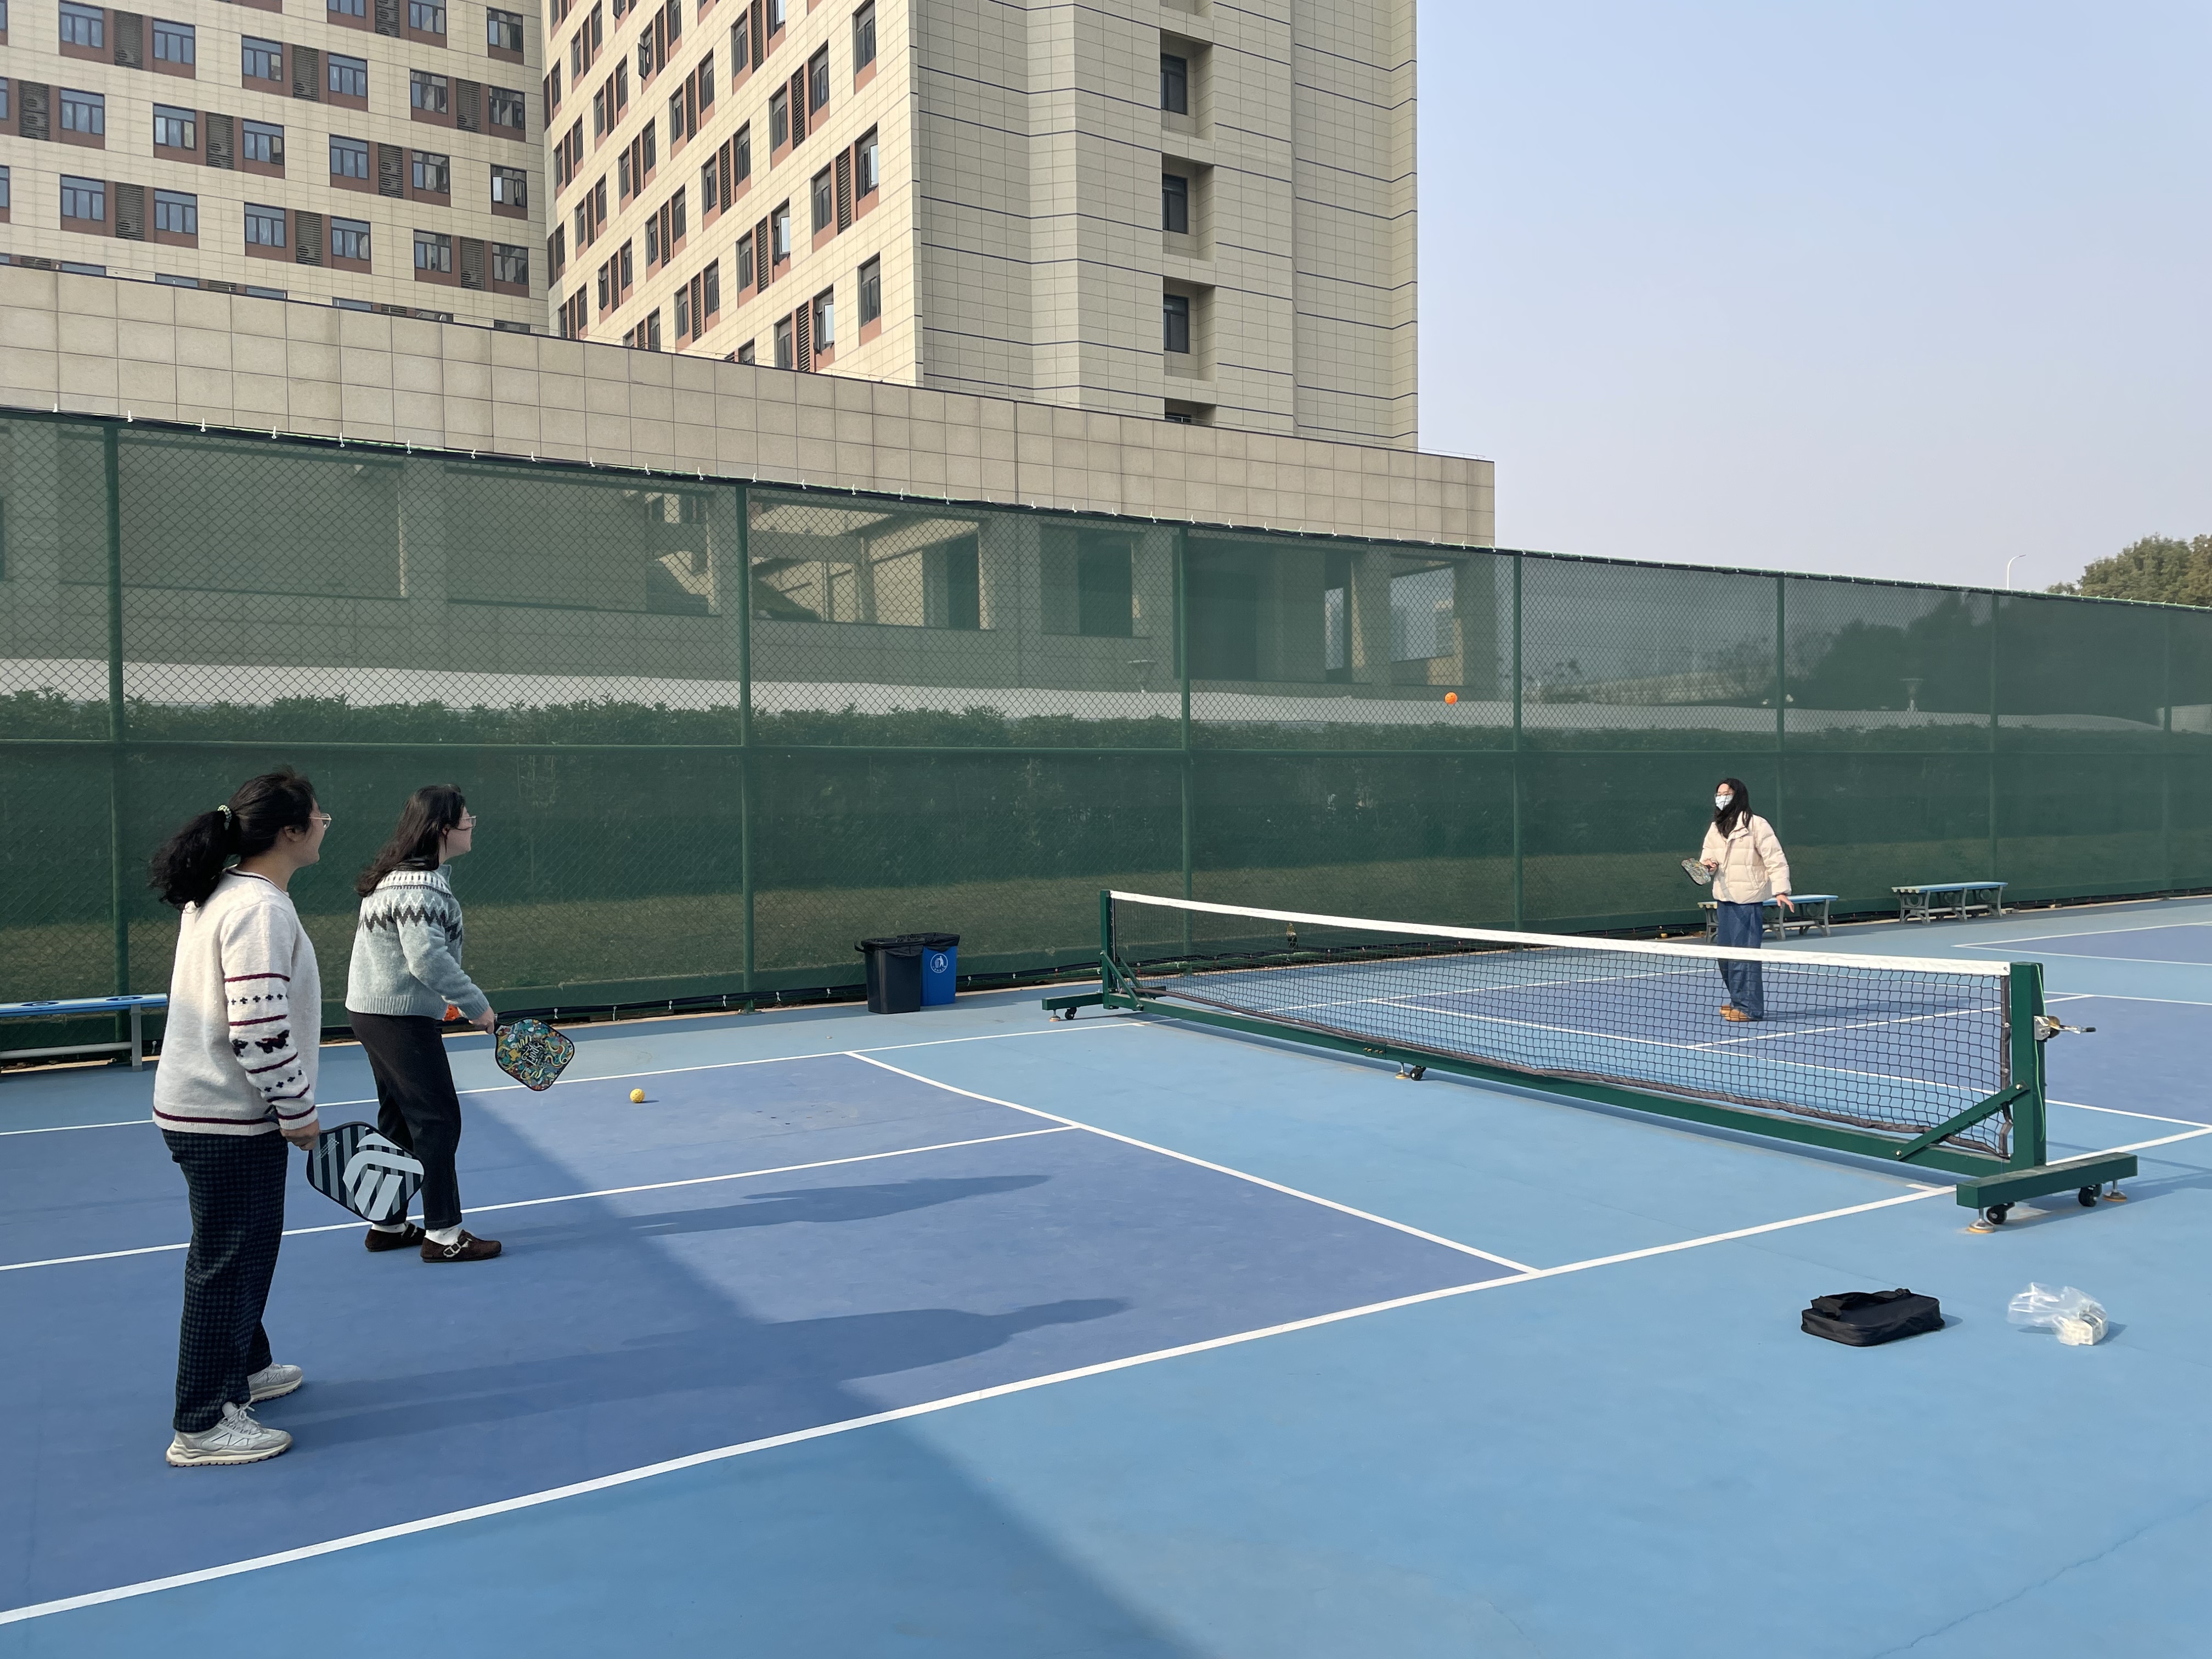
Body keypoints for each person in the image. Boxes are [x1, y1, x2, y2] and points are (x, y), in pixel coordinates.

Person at [149, 769, 328, 1467]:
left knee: (244, 1250)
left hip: (200, 1108)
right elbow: (258, 1029)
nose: (324, 826)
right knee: (228, 1262)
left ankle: (245, 1368)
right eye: (318, 817)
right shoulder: (260, 909)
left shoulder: (220, 893)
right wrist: (297, 1109)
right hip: (227, 1117)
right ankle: (201, 1422)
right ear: (290, 832)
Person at [346, 785, 502, 1263]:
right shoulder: (422, 887)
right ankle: (444, 1234)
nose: (472, 824)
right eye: (467, 818)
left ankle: (387, 1225)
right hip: (400, 1018)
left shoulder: (392, 879)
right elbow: (426, 959)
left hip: (372, 1012)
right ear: (443, 829)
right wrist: (476, 1006)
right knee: (437, 1120)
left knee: (398, 1119)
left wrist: (445, 1001)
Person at [1699, 777, 1792, 1023]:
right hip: (1725, 898)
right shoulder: (1716, 828)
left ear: (1738, 796)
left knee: (1744, 957)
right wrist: (1708, 866)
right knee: (1726, 957)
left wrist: (1781, 890)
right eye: (1719, 794)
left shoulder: (1757, 825)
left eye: (1727, 793)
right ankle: (1737, 1000)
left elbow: (1775, 859)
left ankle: (1750, 1008)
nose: (1722, 798)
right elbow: (1707, 858)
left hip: (1748, 900)